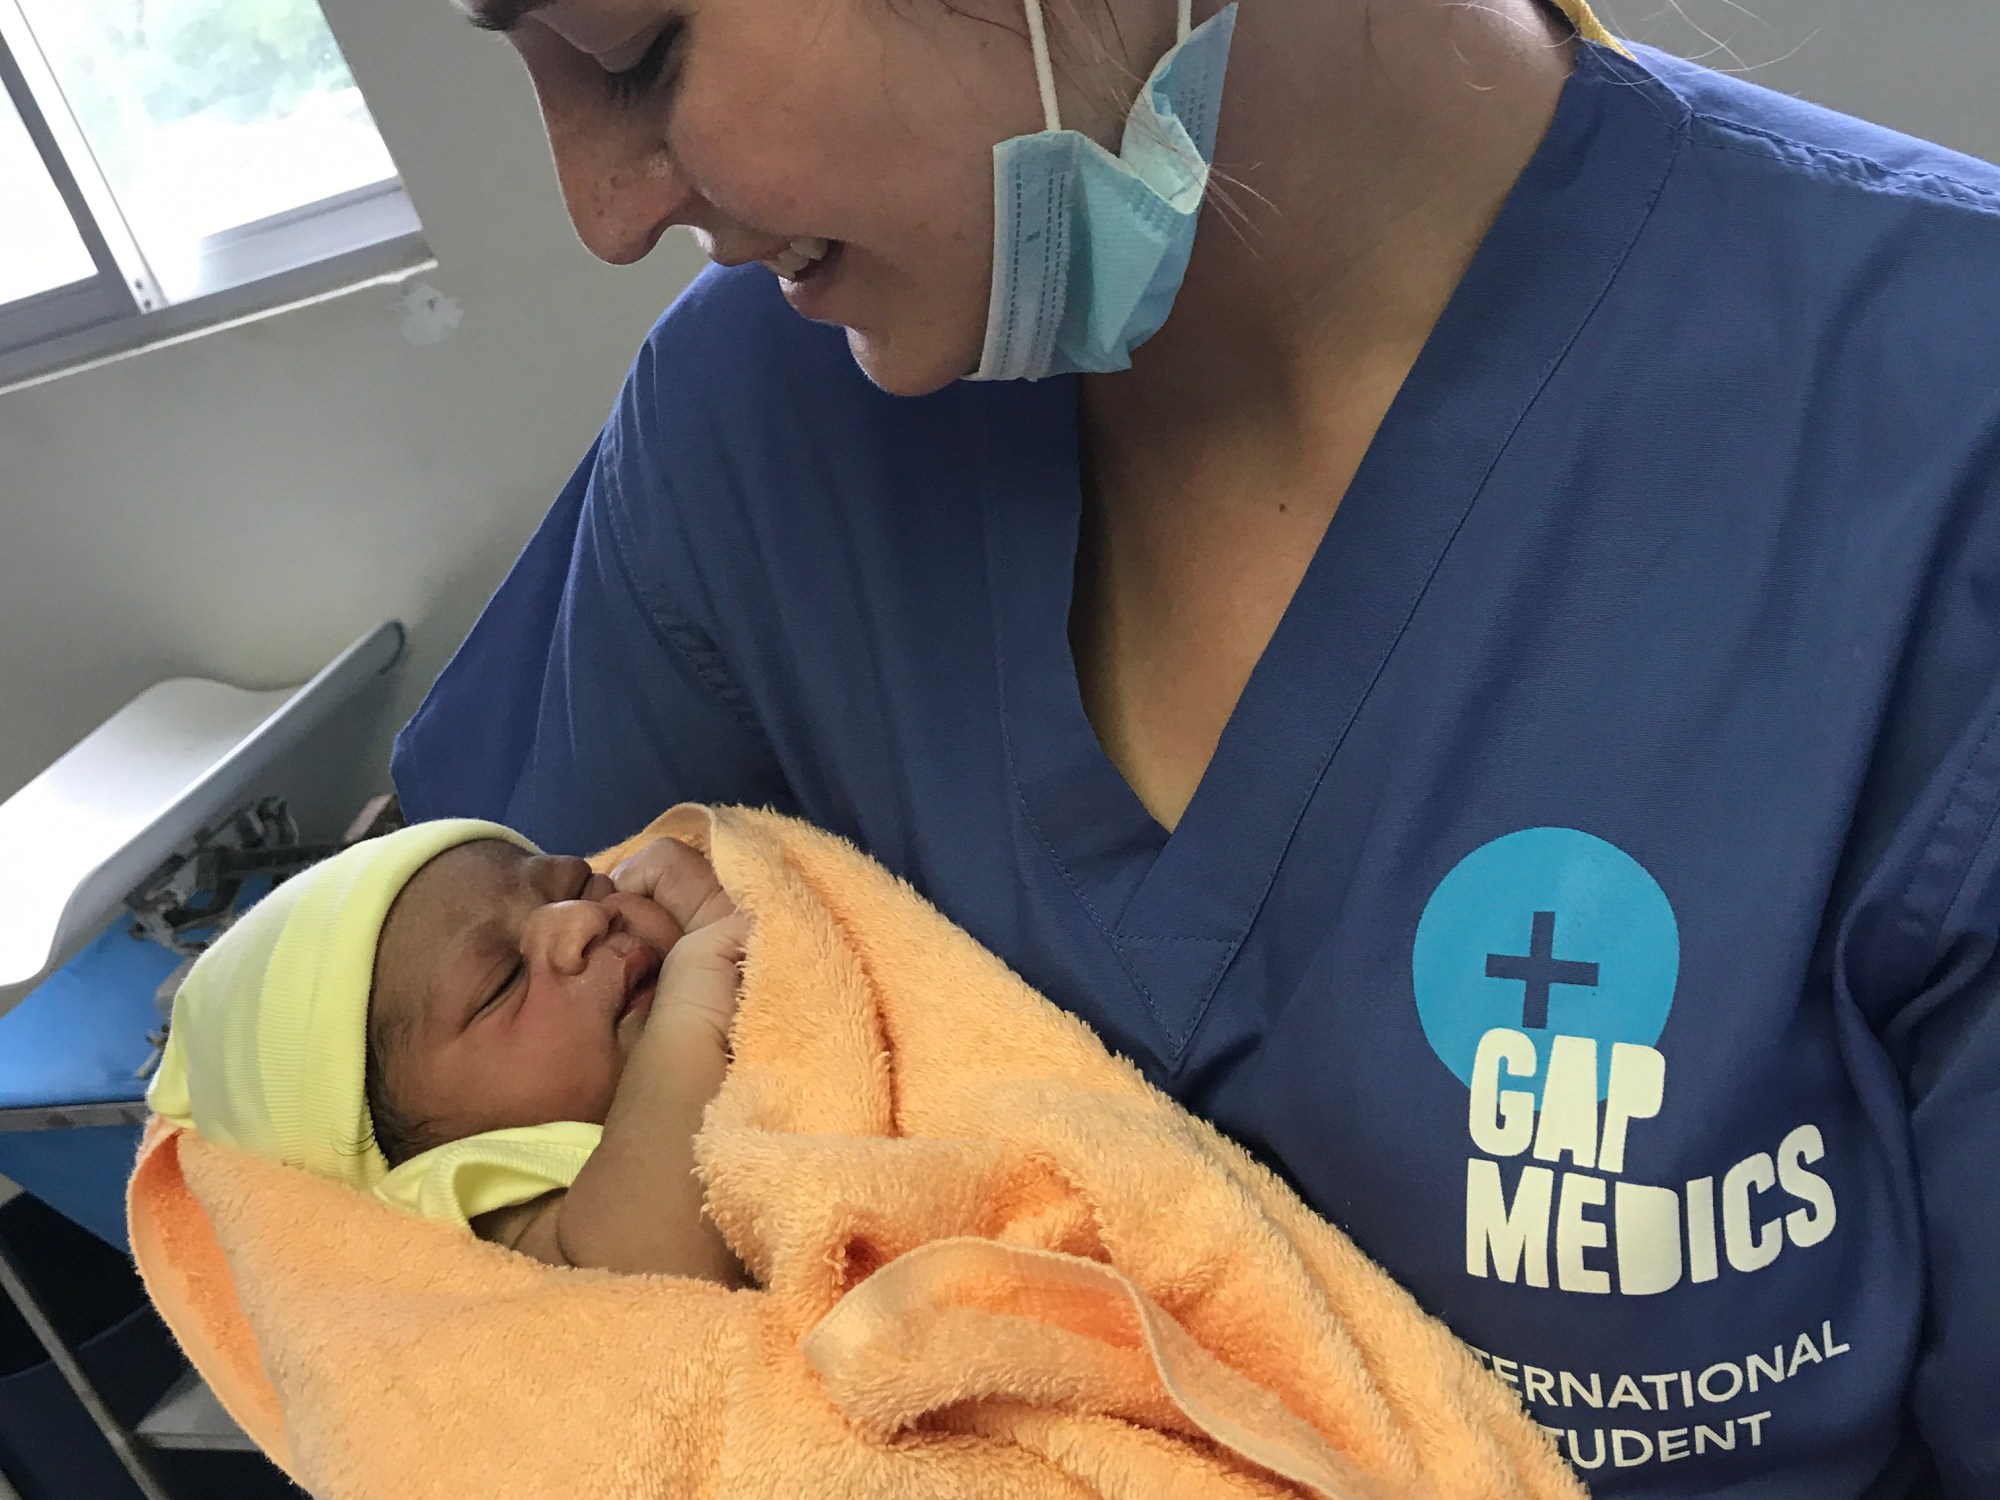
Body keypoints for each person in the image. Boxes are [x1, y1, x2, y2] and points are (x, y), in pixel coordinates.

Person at [389, 0, 2000, 1492]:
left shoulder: (1936, 447)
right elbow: (420, 1268)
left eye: (639, 46)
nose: (603, 211)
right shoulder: (752, 434)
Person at [145, 819, 752, 1282]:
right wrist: (688, 1021)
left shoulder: (677, 959)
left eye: (577, 886)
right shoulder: (472, 1193)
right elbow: (652, 1275)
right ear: (407, 1150)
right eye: (502, 983)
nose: (580, 920)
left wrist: (735, 917)